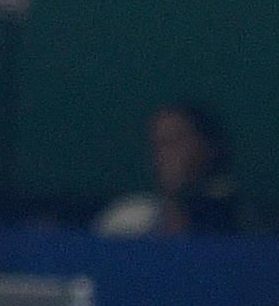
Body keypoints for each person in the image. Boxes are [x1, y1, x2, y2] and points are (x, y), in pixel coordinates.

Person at [94, 100, 239, 238]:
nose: (164, 155)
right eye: (158, 144)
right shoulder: (125, 224)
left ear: (208, 150)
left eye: (174, 141)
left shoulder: (239, 223)